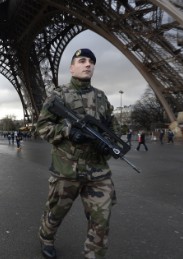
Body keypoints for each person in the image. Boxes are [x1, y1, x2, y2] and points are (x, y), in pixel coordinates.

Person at [36, 49, 118, 259]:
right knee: (55, 213)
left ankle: (94, 255)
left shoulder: (101, 97)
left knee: (101, 222)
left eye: (91, 61)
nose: (88, 64)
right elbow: (42, 127)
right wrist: (67, 131)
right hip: (66, 170)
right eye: (82, 61)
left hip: (98, 172)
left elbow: (112, 129)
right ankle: (46, 237)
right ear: (72, 68)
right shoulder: (58, 95)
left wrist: (107, 143)